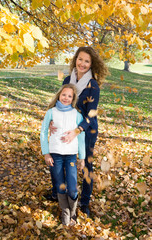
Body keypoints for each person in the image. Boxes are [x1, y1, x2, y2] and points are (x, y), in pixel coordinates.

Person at [46, 46, 109, 216]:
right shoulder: (67, 79)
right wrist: (52, 120)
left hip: (86, 130)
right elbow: (59, 102)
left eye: (87, 61)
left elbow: (91, 113)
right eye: (80, 59)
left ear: (91, 64)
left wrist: (77, 130)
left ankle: (85, 201)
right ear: (75, 60)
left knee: (85, 164)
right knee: (58, 159)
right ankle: (56, 191)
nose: (82, 63)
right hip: (65, 126)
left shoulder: (93, 85)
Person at [40, 84, 85, 226]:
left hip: (71, 156)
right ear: (59, 95)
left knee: (72, 188)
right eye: (64, 94)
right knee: (60, 186)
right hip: (55, 155)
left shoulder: (76, 115)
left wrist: (82, 157)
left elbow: (81, 137)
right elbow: (43, 132)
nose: (66, 98)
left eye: (69, 96)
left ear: (73, 99)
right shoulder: (51, 113)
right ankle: (65, 212)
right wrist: (46, 153)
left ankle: (73, 212)